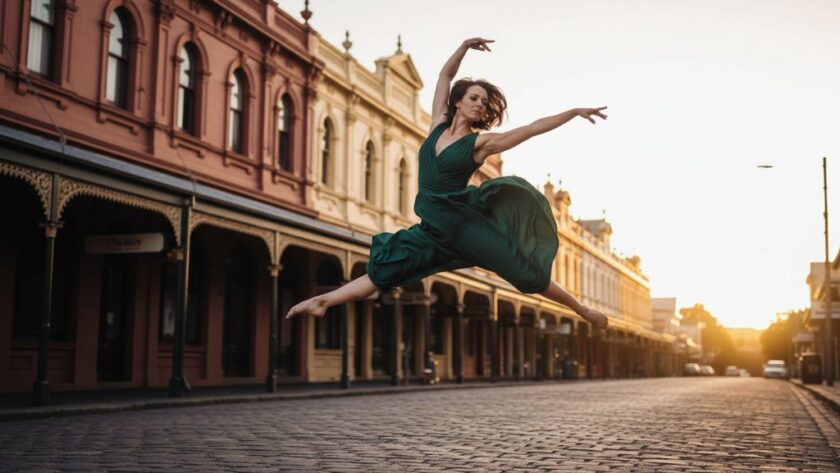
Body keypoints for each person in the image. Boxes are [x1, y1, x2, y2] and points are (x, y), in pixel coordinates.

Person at [286, 38, 609, 330]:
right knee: (387, 266)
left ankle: (582, 310)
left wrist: (573, 112)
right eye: (474, 97)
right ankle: (323, 301)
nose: (479, 104)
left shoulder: (481, 144)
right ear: (458, 101)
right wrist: (465, 46)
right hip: (433, 228)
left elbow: (532, 128)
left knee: (524, 273)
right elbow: (444, 76)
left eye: (484, 101)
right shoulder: (437, 124)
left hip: (466, 226)